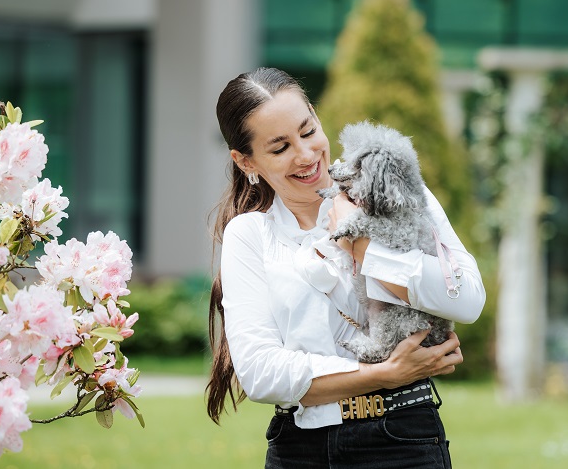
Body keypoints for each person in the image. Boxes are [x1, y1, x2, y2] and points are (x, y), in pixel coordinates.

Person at [206, 67, 486, 468]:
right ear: (246, 160)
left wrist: (361, 246)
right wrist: (382, 374)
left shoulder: (392, 186)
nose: (305, 155)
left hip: (404, 440)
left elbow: (468, 300)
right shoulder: (250, 236)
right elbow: (260, 373)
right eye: (280, 147)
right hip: (300, 451)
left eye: (307, 131)